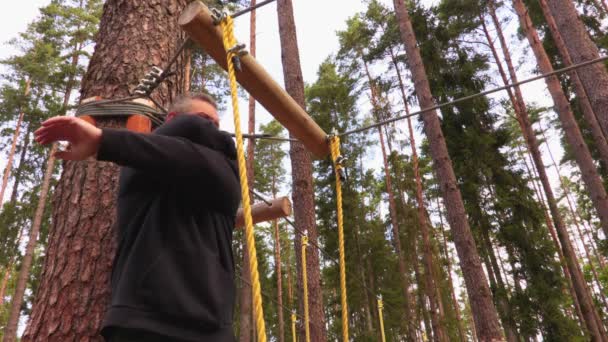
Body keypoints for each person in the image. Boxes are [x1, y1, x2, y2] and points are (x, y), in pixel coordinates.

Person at [34, 93, 241, 342]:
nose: (211, 129)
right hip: (145, 320)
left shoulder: (223, 173)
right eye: (202, 119)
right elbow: (174, 154)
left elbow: (197, 162)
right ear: (172, 119)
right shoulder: (145, 163)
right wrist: (105, 142)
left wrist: (104, 140)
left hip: (213, 326)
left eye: (216, 124)